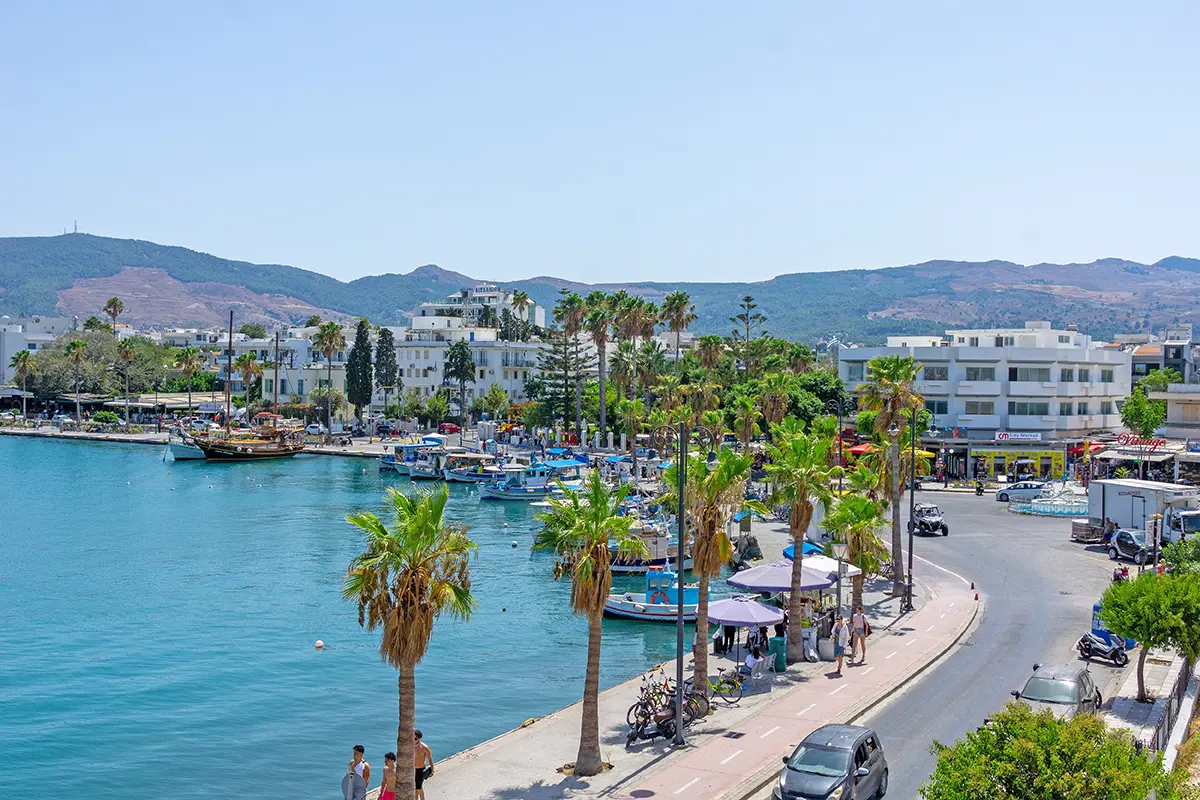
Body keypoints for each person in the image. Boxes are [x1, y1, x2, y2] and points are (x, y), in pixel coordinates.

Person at [414, 729, 434, 800]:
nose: (413, 740)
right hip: (412, 770)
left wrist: (432, 770)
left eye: (415, 739)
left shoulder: (424, 747)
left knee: (419, 788)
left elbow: (430, 759)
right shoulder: (409, 747)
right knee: (414, 789)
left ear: (419, 738)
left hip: (420, 770)